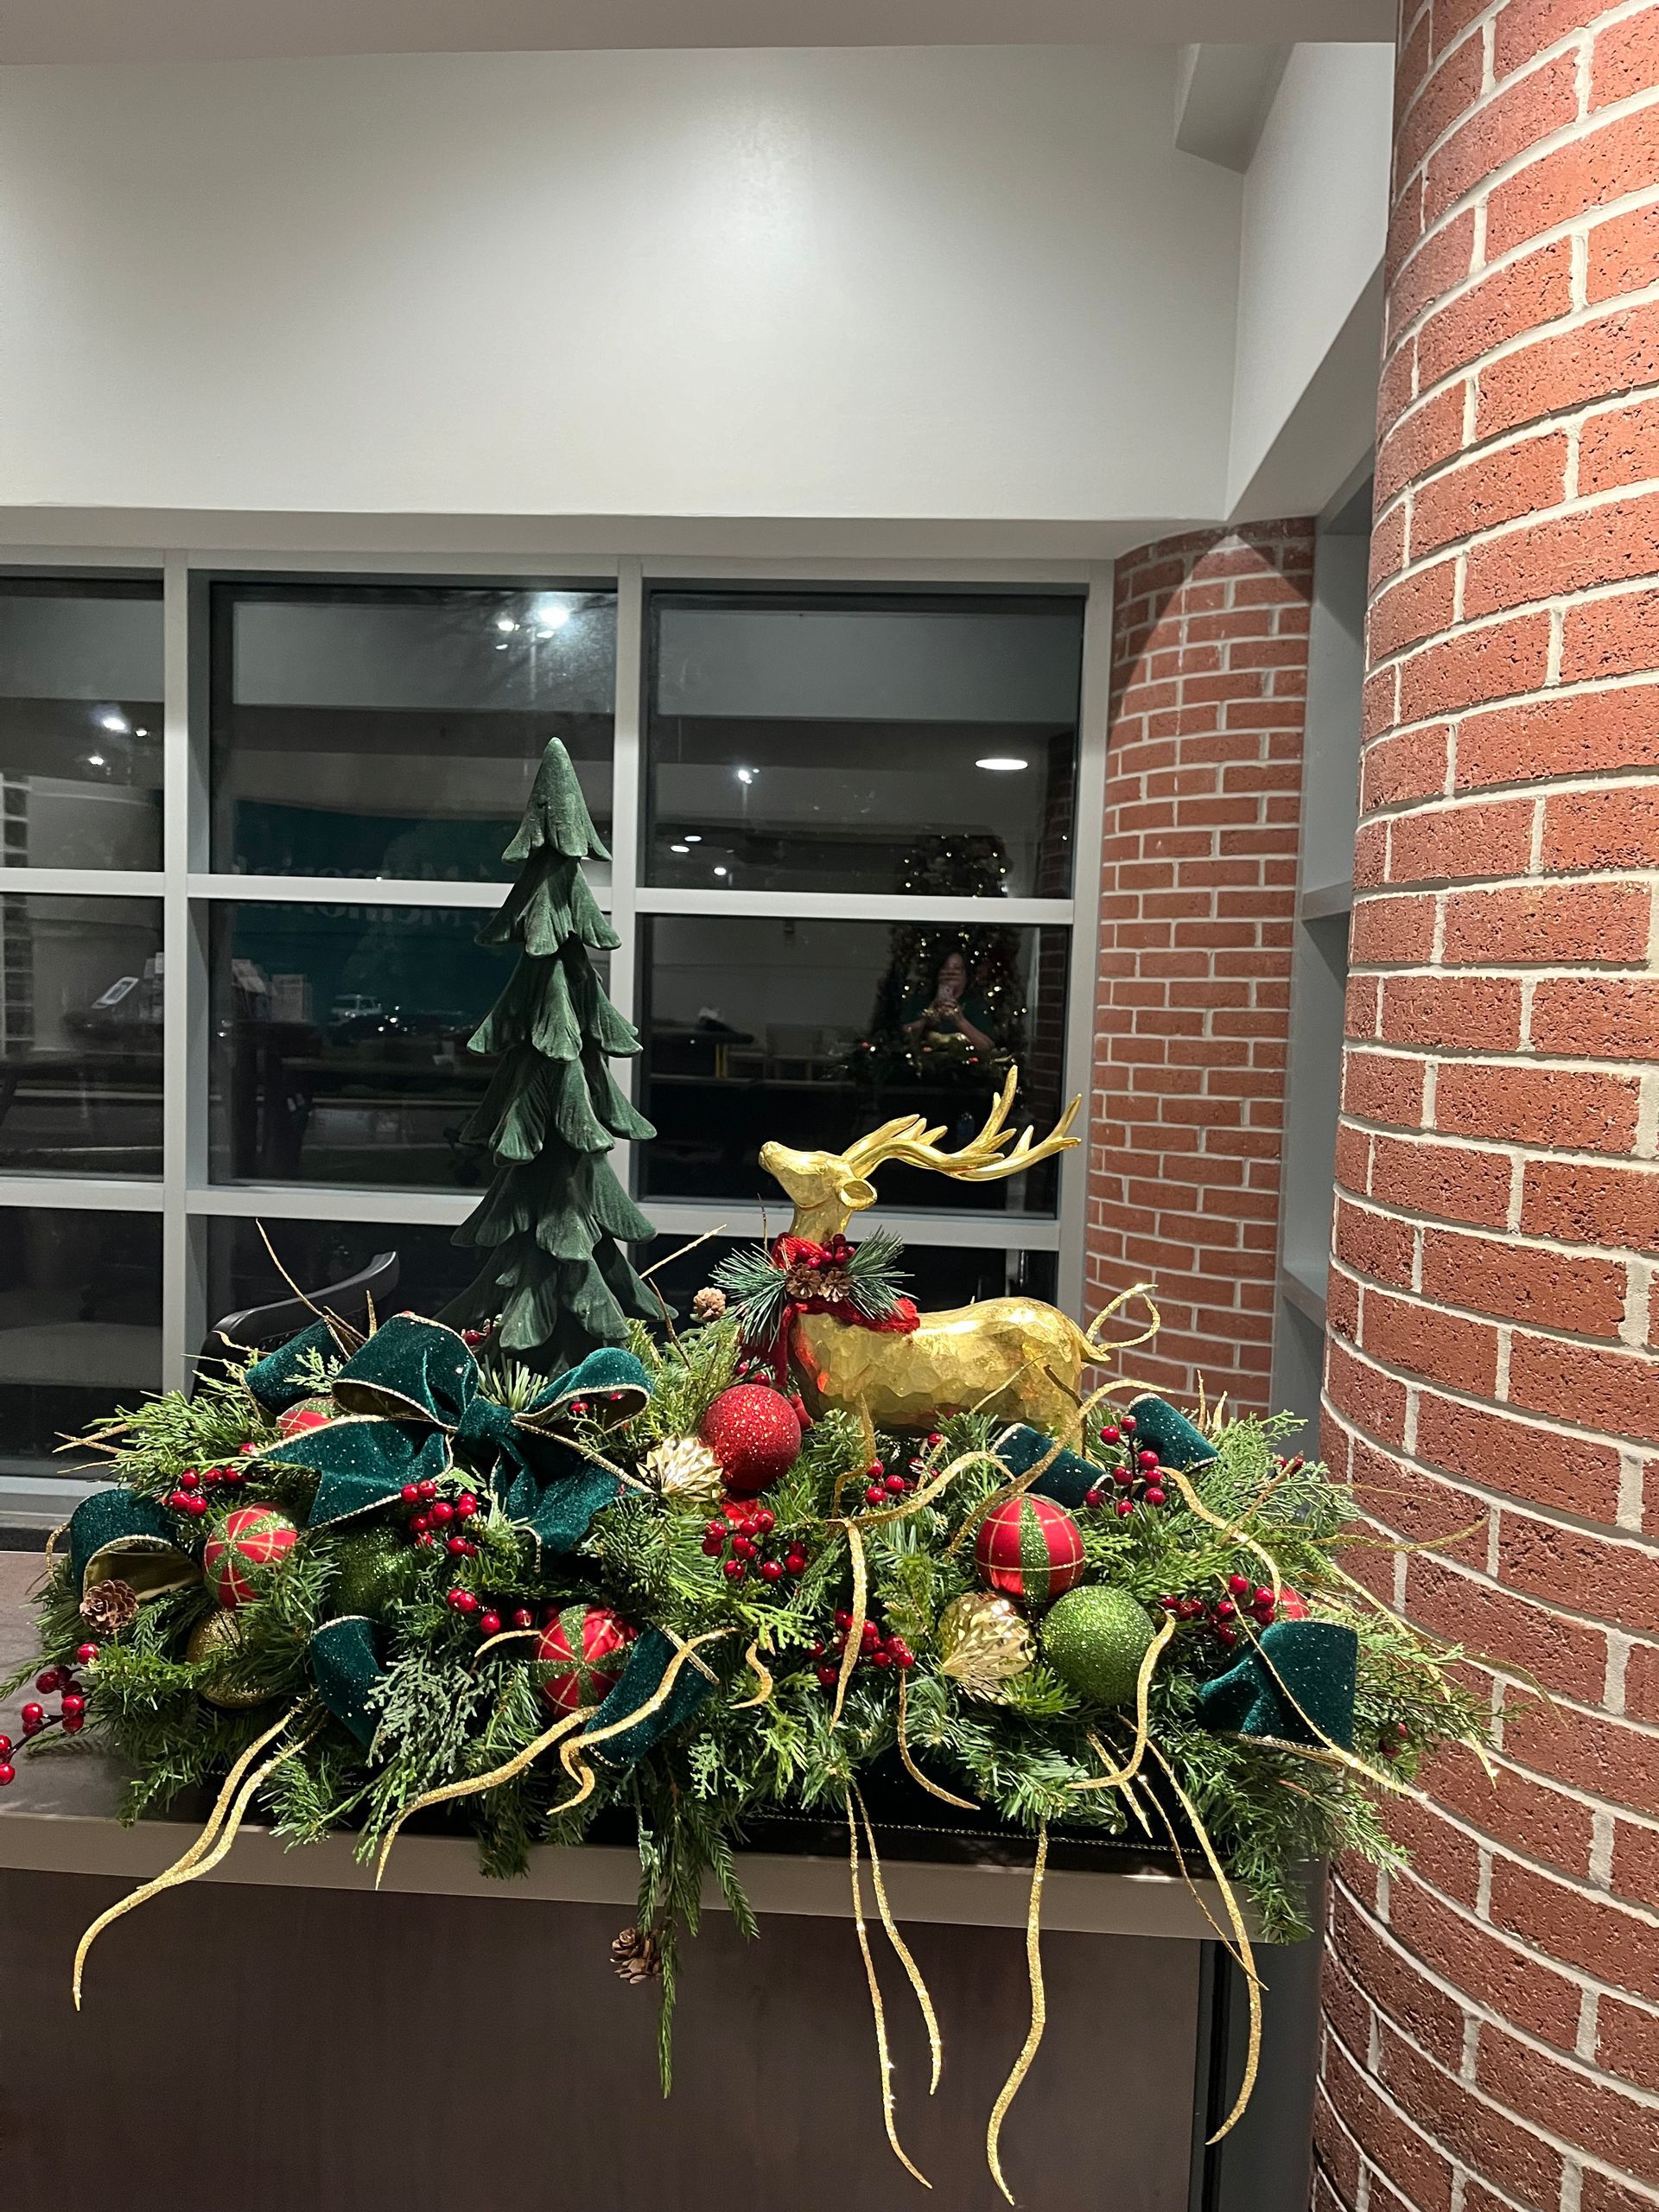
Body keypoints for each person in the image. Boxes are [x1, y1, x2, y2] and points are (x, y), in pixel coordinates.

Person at [901, 949, 995, 1053]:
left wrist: (959, 1020)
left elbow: (988, 1047)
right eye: (945, 968)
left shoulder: (975, 1005)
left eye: (957, 968)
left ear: (966, 976)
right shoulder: (919, 1001)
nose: (950, 972)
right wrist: (927, 1020)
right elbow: (902, 1037)